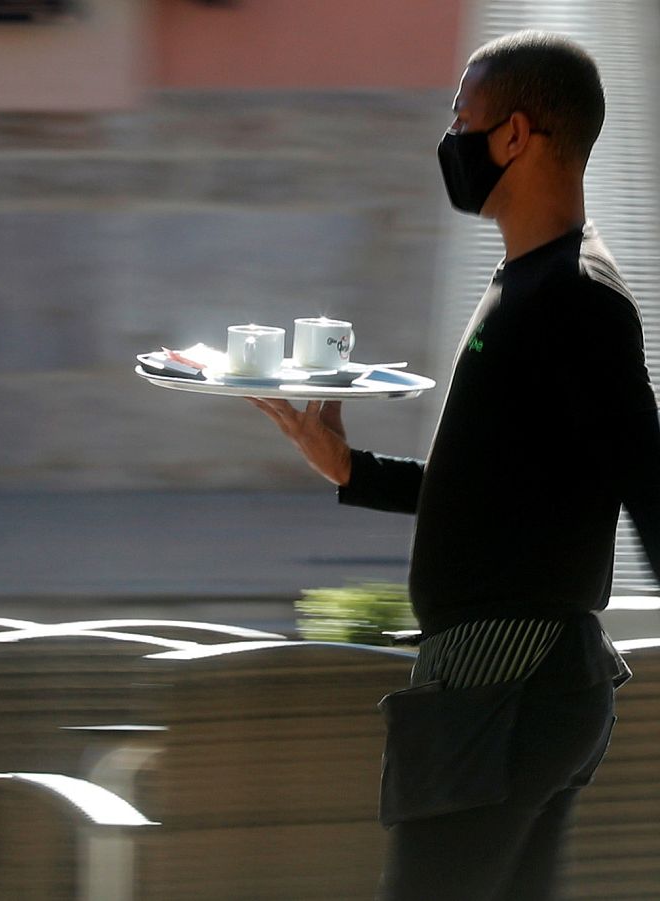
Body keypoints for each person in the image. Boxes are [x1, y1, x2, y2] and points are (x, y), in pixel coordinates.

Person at [250, 31, 656, 900]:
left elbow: (646, 476)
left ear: (515, 135)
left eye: (461, 119)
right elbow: (494, 492)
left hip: (503, 689)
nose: (452, 141)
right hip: (521, 690)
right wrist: (353, 471)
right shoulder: (530, 281)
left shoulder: (575, 297)